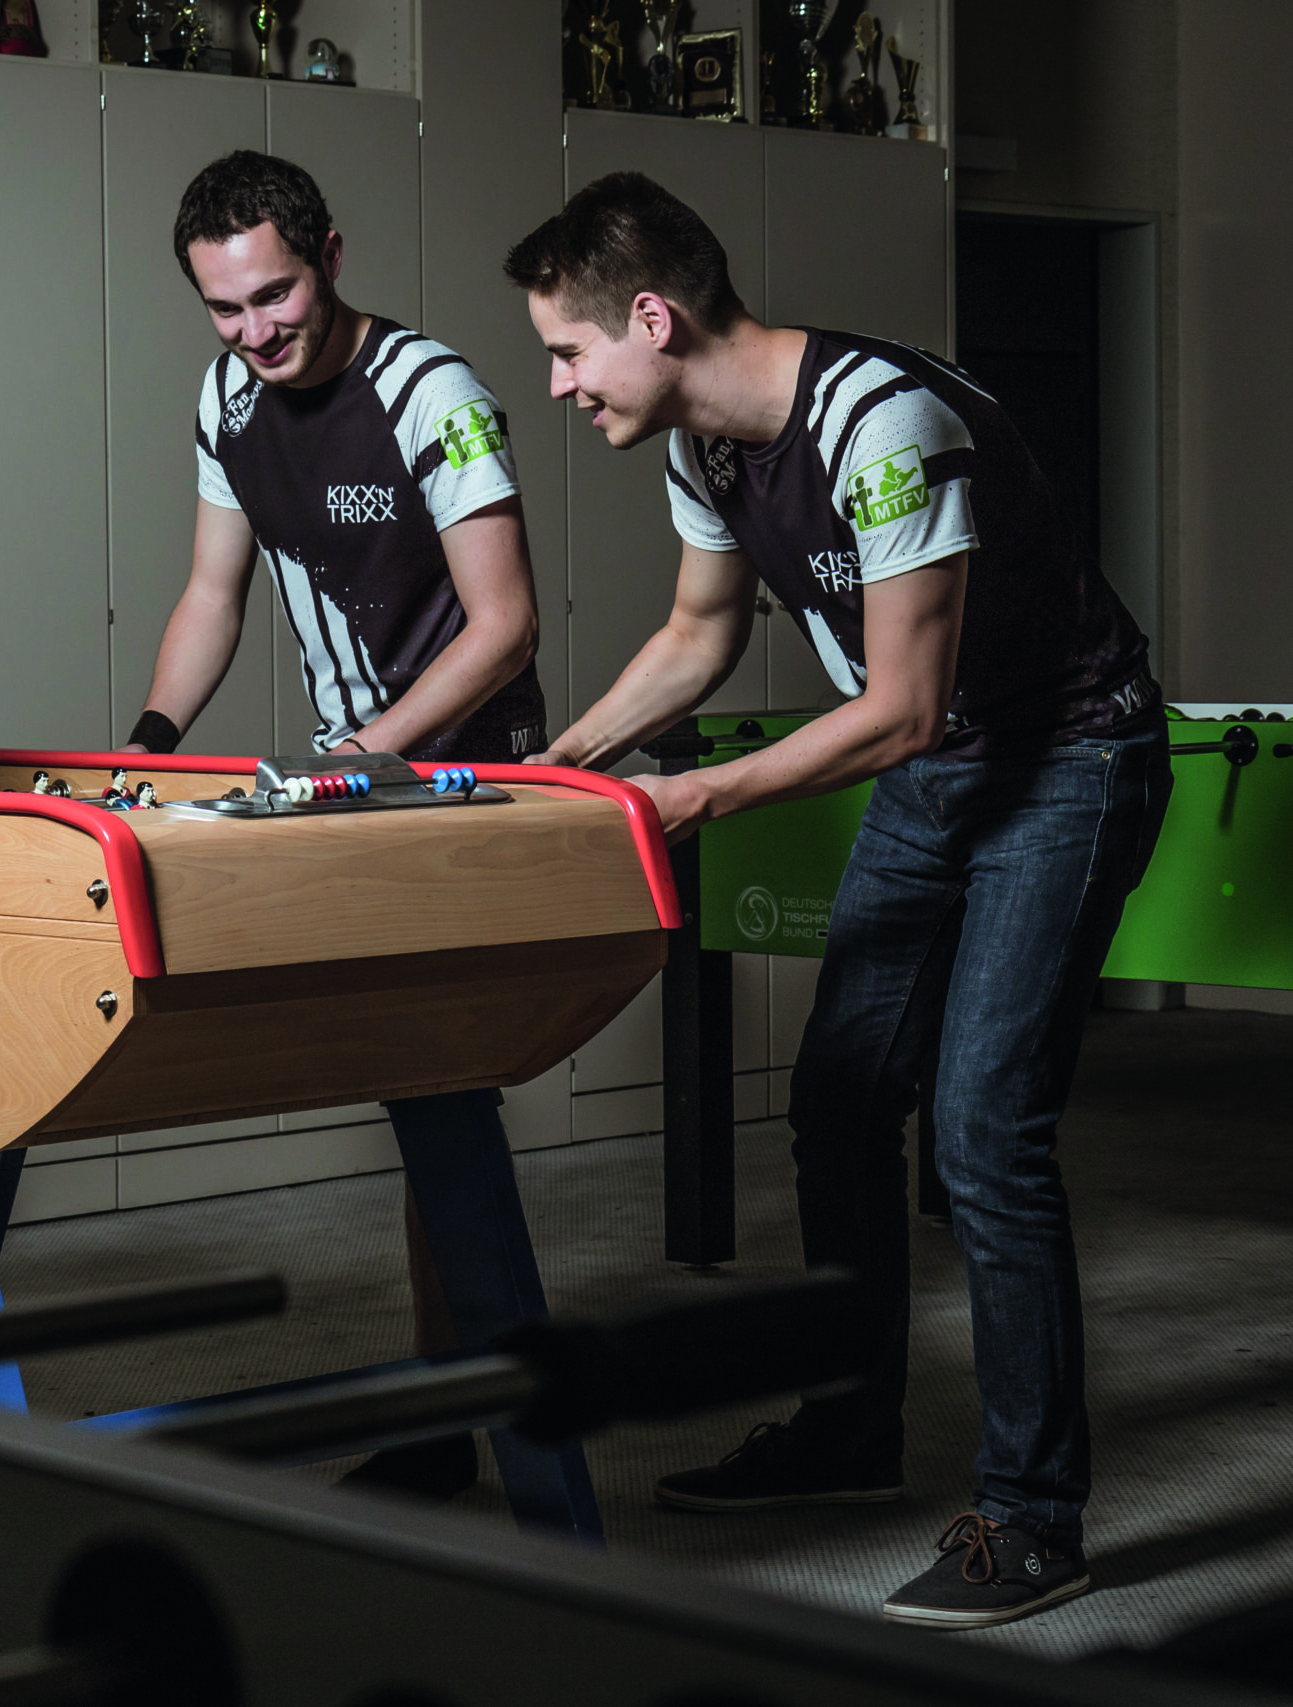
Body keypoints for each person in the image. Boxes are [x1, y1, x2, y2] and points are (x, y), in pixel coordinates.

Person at [505, 171, 1168, 1628]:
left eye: (566, 350)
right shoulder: (707, 447)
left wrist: (693, 800)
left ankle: (1033, 1516)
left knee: (986, 1129)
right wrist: (568, 764)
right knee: (840, 1097)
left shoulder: (885, 427)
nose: (557, 383)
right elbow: (698, 633)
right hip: (943, 774)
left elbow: (902, 708)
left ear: (652, 319)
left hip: (1065, 764)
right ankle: (851, 1430)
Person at [126, 151, 553, 1505]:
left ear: (331, 257)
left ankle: (467, 1417)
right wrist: (147, 744)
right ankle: (446, 1410)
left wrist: (374, 748)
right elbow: (213, 593)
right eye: (224, 308)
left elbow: (505, 627)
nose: (254, 331)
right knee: (421, 1090)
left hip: (465, 773)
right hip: (346, 778)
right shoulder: (225, 398)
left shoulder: (436, 394)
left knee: (440, 1092)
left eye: (276, 295)